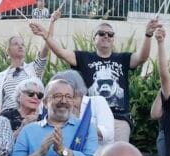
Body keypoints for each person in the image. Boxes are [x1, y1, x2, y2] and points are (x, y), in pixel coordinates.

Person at [37, 12, 153, 143]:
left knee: (118, 153)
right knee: (91, 154)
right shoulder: (84, 57)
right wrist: (46, 36)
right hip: (91, 117)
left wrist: (148, 35)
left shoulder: (123, 58)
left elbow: (142, 57)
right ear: (94, 39)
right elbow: (60, 52)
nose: (106, 36)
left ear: (113, 40)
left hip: (119, 118)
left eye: (110, 34)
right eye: (101, 33)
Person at [0, 32, 49, 115]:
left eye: (22, 44)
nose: (20, 46)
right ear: (8, 50)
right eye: (16, 44)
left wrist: (48, 34)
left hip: (31, 115)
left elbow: (45, 52)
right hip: (8, 116)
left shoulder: (33, 69)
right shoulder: (0, 78)